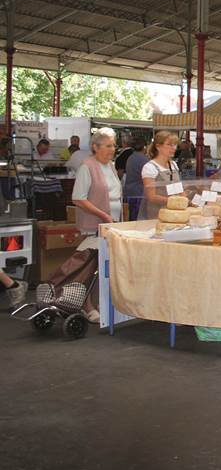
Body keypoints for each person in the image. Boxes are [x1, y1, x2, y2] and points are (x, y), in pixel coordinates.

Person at [68, 128, 123, 323]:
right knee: (89, 266)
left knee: (103, 265)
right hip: (94, 224)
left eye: (113, 145)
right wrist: (102, 215)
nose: (112, 149)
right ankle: (86, 305)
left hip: (112, 224)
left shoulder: (111, 166)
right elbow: (78, 198)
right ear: (95, 147)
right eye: (108, 146)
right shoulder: (87, 166)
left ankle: (100, 302)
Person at [139, 131, 182, 220]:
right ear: (158, 146)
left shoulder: (174, 164)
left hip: (175, 214)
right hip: (157, 215)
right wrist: (174, 201)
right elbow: (152, 197)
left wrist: (185, 199)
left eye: (175, 145)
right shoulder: (149, 167)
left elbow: (179, 189)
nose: (173, 148)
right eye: (169, 144)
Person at [122, 137, 149, 221]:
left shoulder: (131, 158)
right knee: (137, 219)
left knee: (130, 218)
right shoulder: (144, 160)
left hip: (129, 192)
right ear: (144, 147)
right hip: (138, 194)